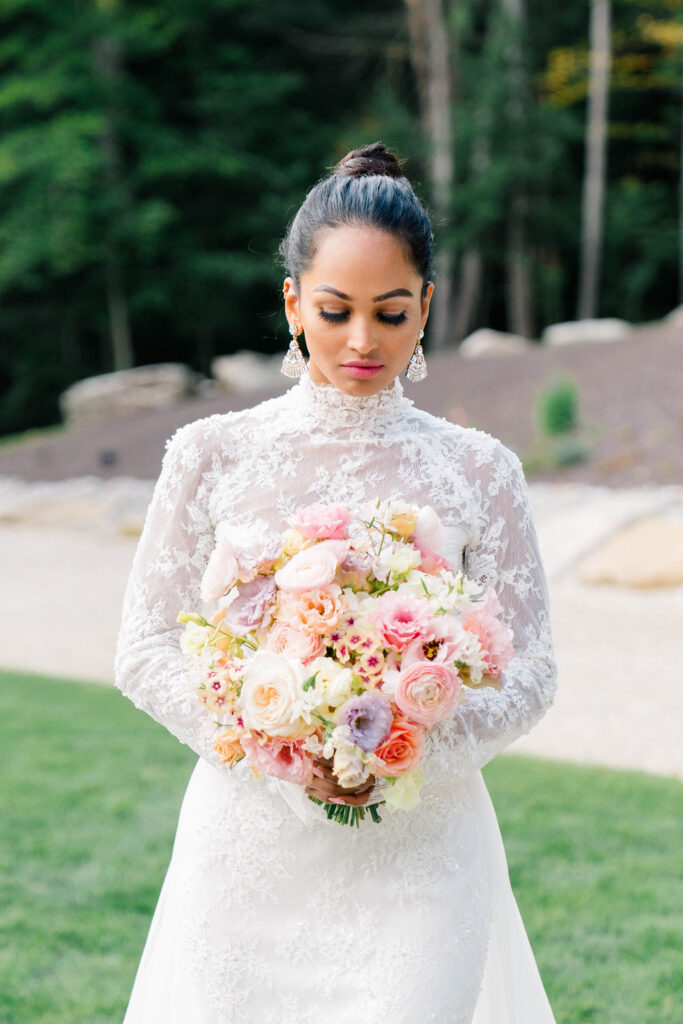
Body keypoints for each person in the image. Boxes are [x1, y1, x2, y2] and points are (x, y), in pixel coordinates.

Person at [114, 142, 558, 1023]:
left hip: (422, 853)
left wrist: (406, 743)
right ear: (291, 303)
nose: (363, 340)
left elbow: (532, 668)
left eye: (391, 313)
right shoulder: (210, 455)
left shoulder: (480, 470)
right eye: (335, 310)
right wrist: (277, 742)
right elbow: (144, 647)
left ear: (426, 305)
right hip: (249, 849)